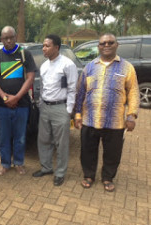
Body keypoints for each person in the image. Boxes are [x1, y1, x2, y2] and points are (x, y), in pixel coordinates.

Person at [74, 33, 140, 192]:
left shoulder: (127, 67)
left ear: (116, 45)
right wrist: (77, 115)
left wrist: (131, 116)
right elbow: (80, 92)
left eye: (110, 42)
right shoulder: (89, 67)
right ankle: (89, 175)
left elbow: (133, 92)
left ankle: (108, 177)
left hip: (115, 121)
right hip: (90, 119)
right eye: (103, 43)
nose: (106, 45)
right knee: (88, 150)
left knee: (113, 152)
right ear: (98, 46)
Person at [0, 26, 36, 175]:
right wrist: (4, 97)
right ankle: (5, 163)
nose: (8, 40)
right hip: (2, 106)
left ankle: (19, 163)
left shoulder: (24, 54)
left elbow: (30, 77)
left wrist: (16, 97)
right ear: (1, 39)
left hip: (21, 105)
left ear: (15, 37)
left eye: (11, 37)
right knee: (3, 136)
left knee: (20, 136)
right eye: (5, 38)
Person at [32, 34, 78, 186]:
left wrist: (68, 110)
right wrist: (41, 104)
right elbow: (44, 87)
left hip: (60, 108)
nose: (43, 48)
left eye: (47, 46)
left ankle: (60, 173)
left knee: (61, 143)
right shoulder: (44, 65)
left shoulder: (67, 65)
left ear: (56, 47)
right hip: (45, 107)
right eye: (43, 46)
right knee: (43, 140)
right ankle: (46, 168)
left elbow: (72, 89)